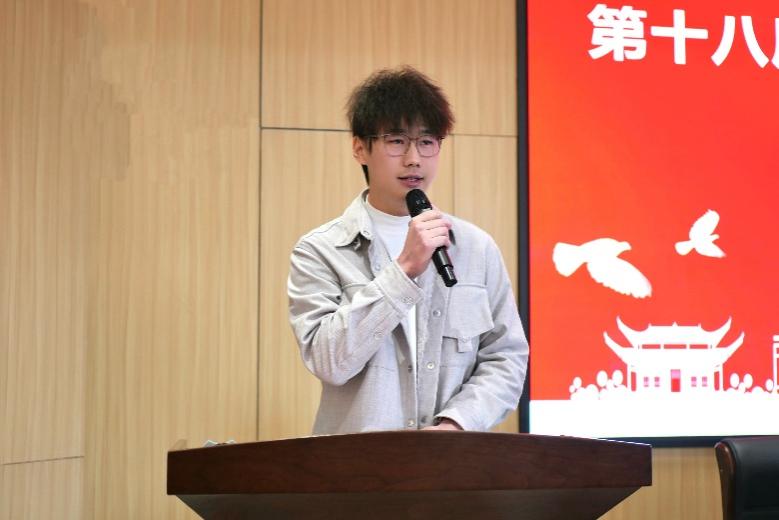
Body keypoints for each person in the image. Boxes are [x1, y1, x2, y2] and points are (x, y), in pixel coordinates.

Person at [287, 66, 528, 434]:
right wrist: (403, 271)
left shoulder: (475, 248)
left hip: (453, 460)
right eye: (397, 141)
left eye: (427, 141)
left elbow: (506, 357)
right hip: (359, 465)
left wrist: (456, 424)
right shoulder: (320, 251)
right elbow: (328, 361)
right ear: (360, 148)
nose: (414, 158)